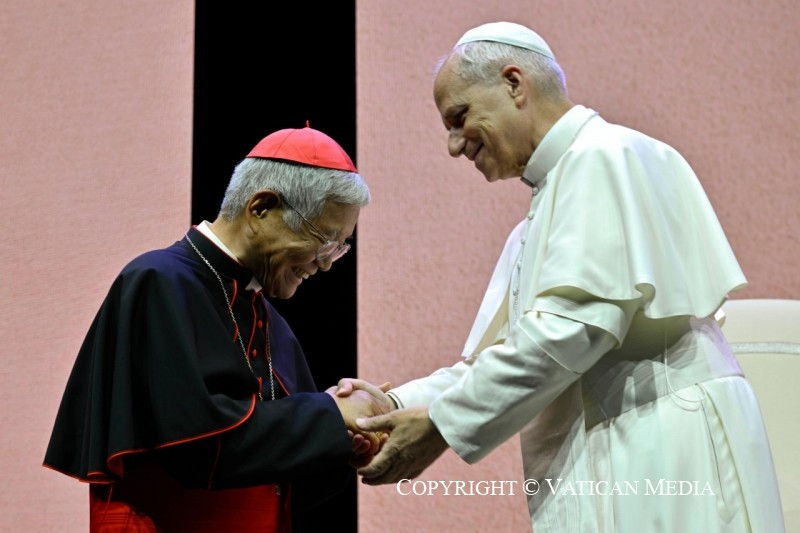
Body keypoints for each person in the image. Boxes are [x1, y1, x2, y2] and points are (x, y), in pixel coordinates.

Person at [342, 21, 785, 532]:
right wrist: (391, 406)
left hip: (667, 442)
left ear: (514, 84)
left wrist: (441, 425)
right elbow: (504, 356)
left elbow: (569, 330)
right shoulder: (539, 213)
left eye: (459, 118)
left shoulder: (604, 158)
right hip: (621, 444)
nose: (453, 145)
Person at [43, 125, 392, 532]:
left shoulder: (270, 320)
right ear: (261, 208)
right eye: (324, 240)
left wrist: (344, 440)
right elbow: (196, 448)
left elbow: (275, 479)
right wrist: (330, 414)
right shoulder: (159, 282)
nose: (327, 263)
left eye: (340, 247)